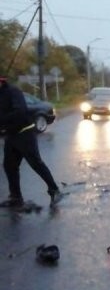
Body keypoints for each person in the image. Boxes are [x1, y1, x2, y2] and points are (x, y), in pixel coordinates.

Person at [0, 77, 63, 208]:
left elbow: (20, 111)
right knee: (9, 166)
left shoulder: (13, 91)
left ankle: (54, 190)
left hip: (25, 133)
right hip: (11, 135)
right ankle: (16, 197)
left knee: (36, 163)